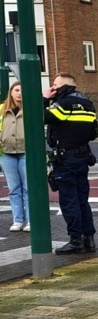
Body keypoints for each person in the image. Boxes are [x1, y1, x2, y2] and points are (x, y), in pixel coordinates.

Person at [43, 73, 98, 254]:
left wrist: (44, 98)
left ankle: (75, 240)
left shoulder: (64, 103)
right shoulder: (88, 104)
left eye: (55, 85)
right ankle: (89, 239)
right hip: (82, 157)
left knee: (69, 201)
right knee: (83, 200)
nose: (53, 88)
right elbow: (94, 133)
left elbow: (41, 117)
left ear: (62, 87)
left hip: (65, 159)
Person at [0, 82, 29, 233]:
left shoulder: (30, 109)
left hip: (26, 153)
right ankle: (17, 220)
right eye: (17, 90)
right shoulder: (2, 110)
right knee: (14, 189)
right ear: (11, 92)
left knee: (27, 188)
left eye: (22, 91)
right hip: (6, 153)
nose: (19, 93)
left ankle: (30, 220)